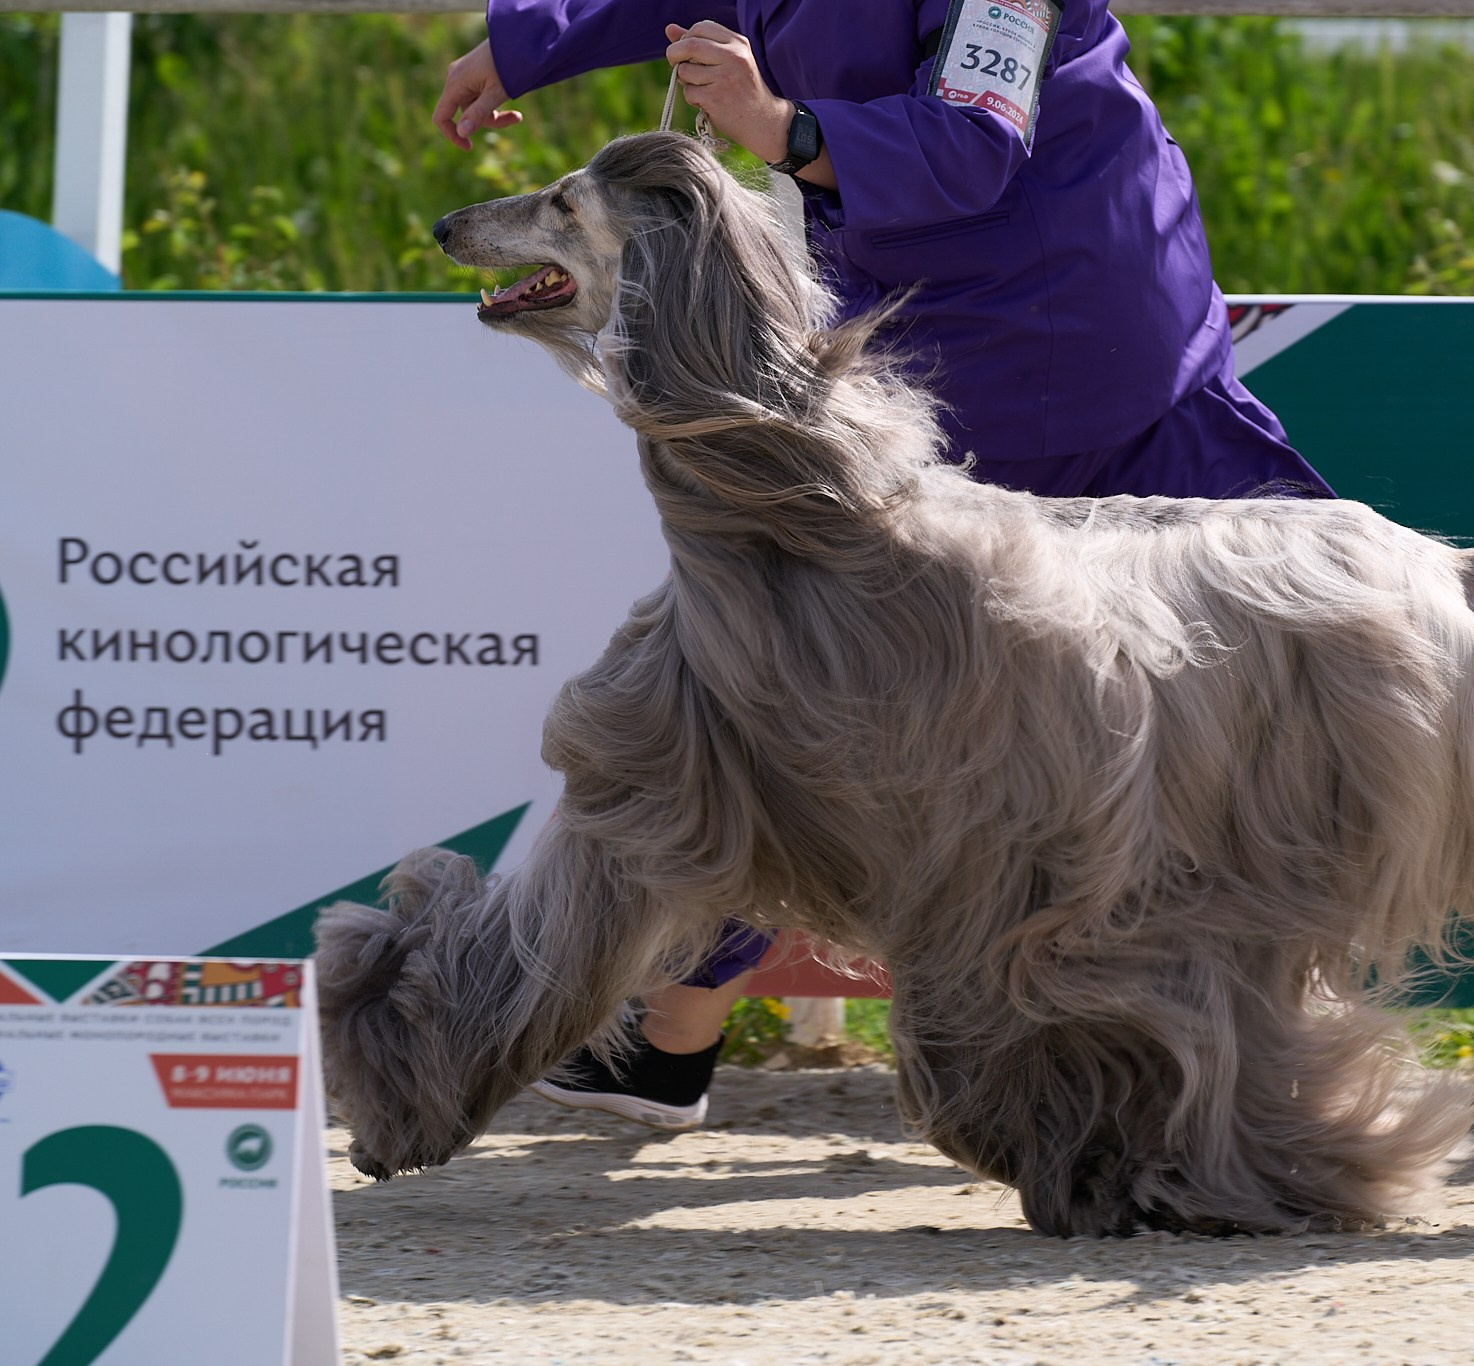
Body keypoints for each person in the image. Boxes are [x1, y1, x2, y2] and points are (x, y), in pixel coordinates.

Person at [433, 0, 1335, 1129]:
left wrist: (779, 126)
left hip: (1062, 342)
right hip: (951, 348)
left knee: (820, 687)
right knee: (819, 685)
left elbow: (969, 142)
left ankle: (671, 1033)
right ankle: (670, 1034)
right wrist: (526, 44)